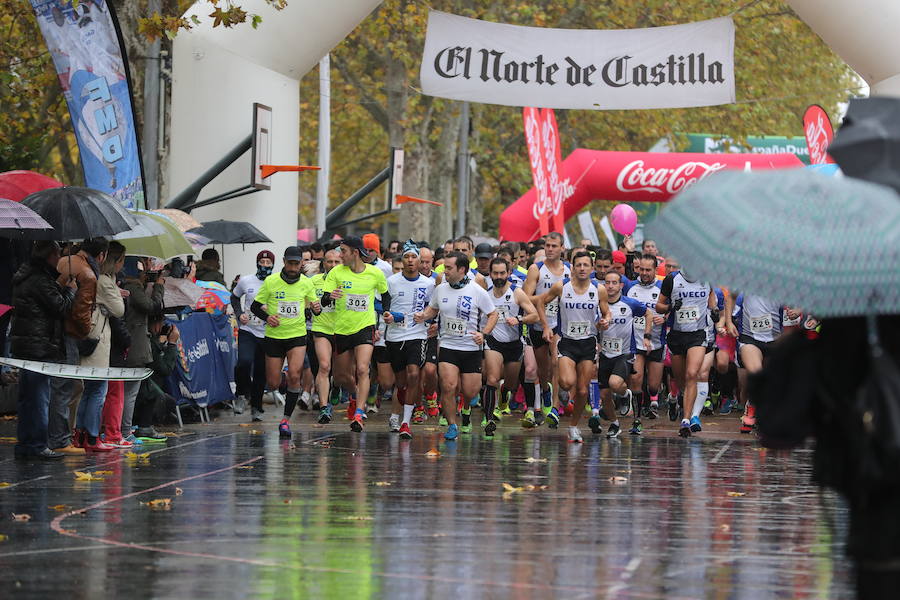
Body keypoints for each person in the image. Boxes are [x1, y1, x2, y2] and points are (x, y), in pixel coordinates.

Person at [414, 252, 498, 440]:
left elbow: (493, 314)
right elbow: (433, 309)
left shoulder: (477, 291)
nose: (445, 272)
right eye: (445, 268)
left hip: (471, 348)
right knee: (449, 386)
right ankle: (452, 424)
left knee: (469, 391)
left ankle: (466, 409)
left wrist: (483, 334)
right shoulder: (441, 289)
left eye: (449, 268)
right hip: (447, 345)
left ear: (462, 269)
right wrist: (423, 315)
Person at [9, 241, 75, 460]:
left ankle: (26, 443)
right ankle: (37, 444)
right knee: (38, 398)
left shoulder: (25, 275)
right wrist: (69, 290)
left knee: (28, 397)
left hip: (26, 343)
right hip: (39, 345)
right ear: (50, 255)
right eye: (58, 255)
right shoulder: (39, 279)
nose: (59, 260)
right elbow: (61, 307)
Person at [48, 237, 112, 453]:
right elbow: (82, 311)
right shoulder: (88, 274)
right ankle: (60, 440)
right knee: (66, 389)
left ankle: (59, 437)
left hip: (51, 330)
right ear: (101, 255)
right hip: (70, 335)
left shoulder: (64, 261)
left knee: (54, 388)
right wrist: (85, 332)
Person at [250, 246, 321, 438]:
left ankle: (285, 420)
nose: (292, 266)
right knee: (273, 383)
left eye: (296, 263)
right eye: (289, 263)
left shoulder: (306, 284)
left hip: (297, 336)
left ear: (300, 263)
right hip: (274, 337)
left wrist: (316, 307)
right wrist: (268, 317)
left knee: (295, 375)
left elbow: (316, 310)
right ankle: (283, 383)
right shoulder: (271, 282)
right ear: (283, 262)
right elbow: (255, 307)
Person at [321, 236, 388, 432]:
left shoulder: (374, 274)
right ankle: (354, 394)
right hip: (342, 329)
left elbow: (385, 295)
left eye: (343, 251)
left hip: (365, 327)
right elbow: (324, 301)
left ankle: (359, 412)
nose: (340, 255)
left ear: (355, 253)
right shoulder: (336, 273)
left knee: (362, 369)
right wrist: (329, 296)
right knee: (342, 376)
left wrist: (387, 311)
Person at [656, 266, 718, 437]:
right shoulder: (672, 279)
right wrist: (670, 307)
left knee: (692, 374)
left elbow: (711, 295)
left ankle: (686, 419)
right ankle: (677, 400)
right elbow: (658, 306)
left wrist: (714, 310)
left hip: (698, 334)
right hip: (677, 335)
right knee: (681, 379)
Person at [382, 241, 435, 440]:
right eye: (407, 257)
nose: (410, 261)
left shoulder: (429, 284)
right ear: (401, 260)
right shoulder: (391, 281)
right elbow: (380, 305)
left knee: (414, 375)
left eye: (414, 257)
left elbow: (434, 307)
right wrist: (387, 315)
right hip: (395, 336)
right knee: (400, 382)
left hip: (417, 335)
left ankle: (405, 422)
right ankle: (396, 415)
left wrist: (430, 319)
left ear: (420, 260)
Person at [483, 257, 538, 433]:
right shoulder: (486, 294)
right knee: (492, 379)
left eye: (502, 273)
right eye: (495, 273)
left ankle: (505, 394)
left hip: (514, 344)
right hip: (493, 342)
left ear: (508, 273)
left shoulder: (517, 293)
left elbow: (534, 315)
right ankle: (489, 418)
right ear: (490, 274)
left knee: (511, 383)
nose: (498, 276)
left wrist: (519, 319)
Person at [523, 232, 570, 425]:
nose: (550, 249)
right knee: (543, 369)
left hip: (560, 323)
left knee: (556, 362)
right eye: (547, 246)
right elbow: (524, 298)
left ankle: (555, 407)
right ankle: (545, 390)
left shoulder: (570, 270)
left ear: (562, 248)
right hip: (538, 323)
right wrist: (546, 297)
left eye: (554, 246)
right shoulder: (536, 269)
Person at [121, 257, 166, 444]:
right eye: (143, 266)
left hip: (132, 346)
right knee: (129, 393)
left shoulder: (131, 287)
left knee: (129, 392)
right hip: (135, 347)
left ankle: (123, 428)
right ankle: (124, 430)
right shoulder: (132, 288)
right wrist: (158, 286)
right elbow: (151, 306)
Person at [231, 249, 275, 421]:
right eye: (262, 263)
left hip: (267, 332)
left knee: (260, 371)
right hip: (248, 329)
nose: (264, 266)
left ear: (273, 265)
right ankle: (242, 394)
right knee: (244, 362)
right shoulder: (246, 281)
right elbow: (234, 297)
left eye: (268, 263)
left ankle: (257, 406)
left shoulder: (275, 282)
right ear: (257, 263)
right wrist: (239, 313)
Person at [627, 254, 666, 421]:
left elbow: (671, 308)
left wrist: (664, 318)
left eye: (648, 270)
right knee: (636, 377)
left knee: (653, 385)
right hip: (636, 341)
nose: (644, 273)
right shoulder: (630, 287)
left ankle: (654, 399)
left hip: (657, 341)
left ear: (655, 270)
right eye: (641, 269)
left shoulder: (663, 287)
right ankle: (637, 412)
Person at [309, 248, 341, 424]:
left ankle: (336, 385)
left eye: (337, 262)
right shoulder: (314, 281)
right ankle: (323, 407)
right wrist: (311, 307)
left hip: (343, 328)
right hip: (321, 327)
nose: (333, 265)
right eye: (329, 261)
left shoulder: (349, 281)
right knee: (324, 366)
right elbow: (306, 301)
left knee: (340, 372)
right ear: (324, 264)